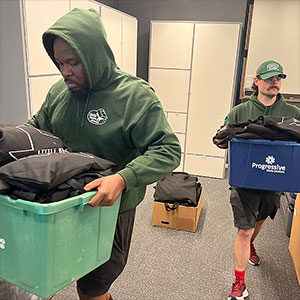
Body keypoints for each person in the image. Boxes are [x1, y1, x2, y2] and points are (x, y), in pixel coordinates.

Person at [26, 8, 181, 300]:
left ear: (95, 54)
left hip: (109, 209)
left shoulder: (135, 97)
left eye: (73, 62)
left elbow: (168, 149)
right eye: (60, 62)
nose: (65, 71)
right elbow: (35, 129)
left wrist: (123, 178)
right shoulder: (59, 92)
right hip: (62, 205)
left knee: (93, 288)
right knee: (46, 279)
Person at [214, 60, 300, 300]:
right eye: (269, 78)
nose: (275, 82)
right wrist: (221, 139)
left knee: (259, 221)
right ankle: (239, 283)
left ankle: (251, 243)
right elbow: (220, 137)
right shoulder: (241, 111)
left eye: (278, 78)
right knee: (244, 229)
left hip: (274, 182)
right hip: (244, 181)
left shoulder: (293, 114)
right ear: (257, 81)